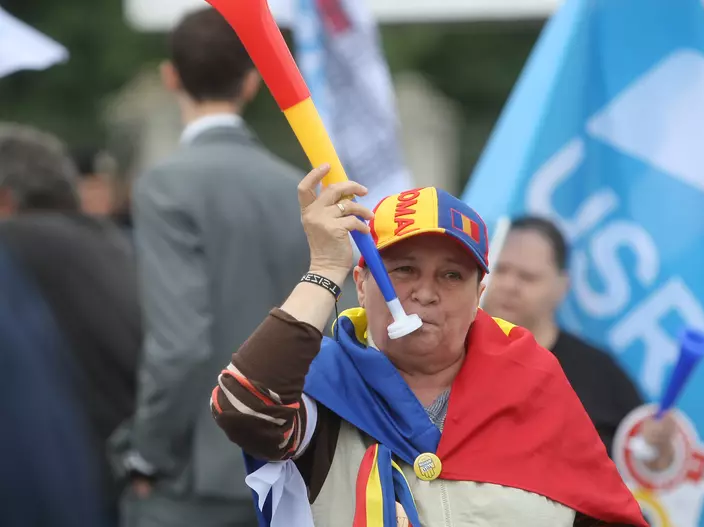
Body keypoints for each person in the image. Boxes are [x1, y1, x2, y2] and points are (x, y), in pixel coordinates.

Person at [211, 166, 649, 527]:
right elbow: (245, 409)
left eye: (452, 275)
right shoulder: (319, 382)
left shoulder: (534, 382)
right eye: (402, 270)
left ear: (479, 294)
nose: (425, 292)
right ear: (362, 285)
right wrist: (326, 267)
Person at [116, 7, 310, 527]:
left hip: (195, 474)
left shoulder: (165, 185)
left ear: (170, 77)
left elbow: (179, 345)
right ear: (251, 83)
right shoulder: (294, 188)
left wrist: (147, 452)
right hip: (288, 464)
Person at [0, 122, 141, 525]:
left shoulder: (17, 249)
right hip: (132, 475)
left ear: (6, 200)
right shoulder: (112, 243)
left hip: (70, 480)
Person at [482, 216, 675, 467]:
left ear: (562, 286)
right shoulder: (450, 358)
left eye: (527, 277)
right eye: (500, 269)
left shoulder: (600, 374)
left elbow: (646, 463)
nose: (509, 285)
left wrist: (659, 450)